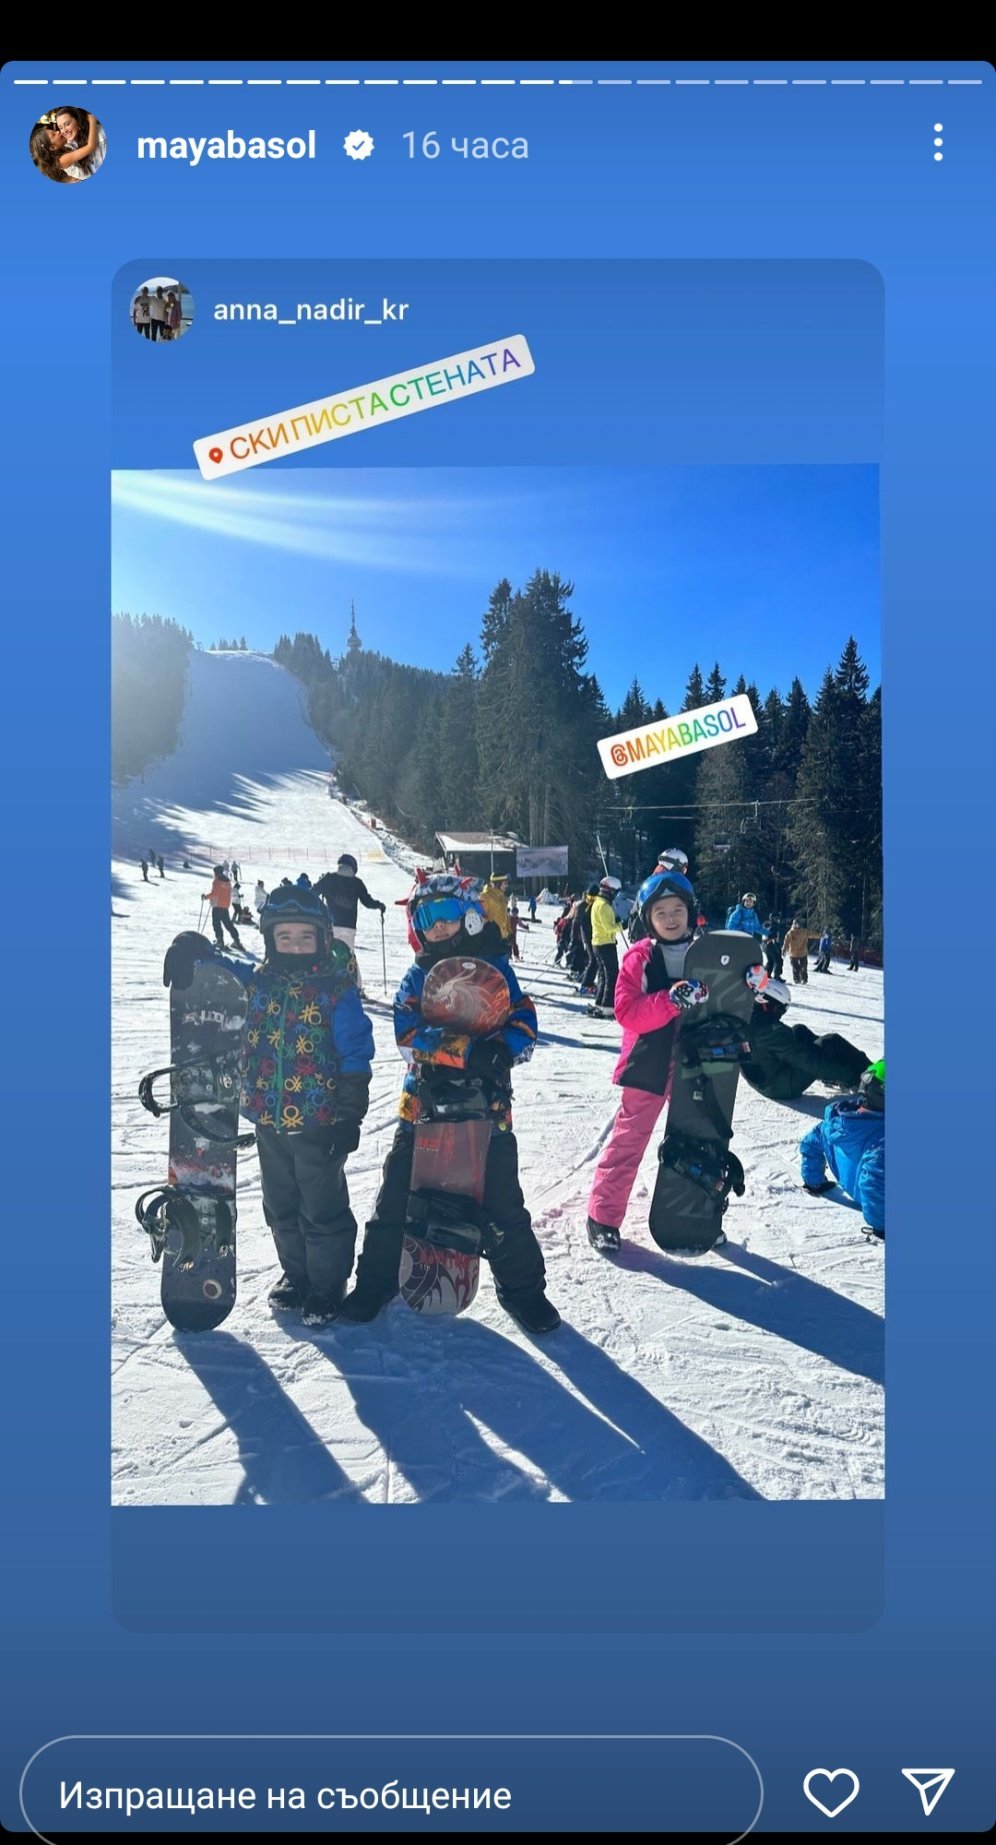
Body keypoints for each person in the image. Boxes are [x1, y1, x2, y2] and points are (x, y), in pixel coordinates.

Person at [340, 873, 559, 1335]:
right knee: (395, 1197)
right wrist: (464, 1050)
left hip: (488, 1112)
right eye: (426, 918)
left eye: (445, 913)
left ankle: (523, 1290)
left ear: (470, 914)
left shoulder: (497, 968)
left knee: (503, 1204)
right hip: (424, 1111)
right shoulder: (419, 976)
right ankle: (376, 1280)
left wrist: (502, 1051)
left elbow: (523, 1021)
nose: (437, 926)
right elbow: (407, 1034)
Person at [163, 878, 374, 1324]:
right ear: (270, 939)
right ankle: (297, 1276)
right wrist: (195, 949)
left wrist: (349, 1117)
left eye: (304, 937)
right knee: (280, 1205)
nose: (294, 945)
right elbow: (222, 972)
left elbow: (355, 1055)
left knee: (321, 1208)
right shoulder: (258, 981)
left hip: (320, 1122)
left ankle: (326, 1286)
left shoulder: (336, 991)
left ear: (322, 938)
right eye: (284, 936)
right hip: (268, 1119)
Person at [586, 870, 763, 1251]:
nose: (670, 919)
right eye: (661, 912)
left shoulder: (708, 954)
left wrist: (753, 985)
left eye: (677, 910)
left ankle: (697, 1217)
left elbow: (732, 1002)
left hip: (696, 1062)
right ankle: (602, 1217)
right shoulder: (640, 957)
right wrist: (669, 1001)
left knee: (701, 1137)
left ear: (690, 912)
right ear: (647, 918)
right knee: (630, 1139)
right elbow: (626, 1011)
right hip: (648, 1061)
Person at [740, 979, 870, 1101]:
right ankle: (869, 1079)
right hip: (779, 1086)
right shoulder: (770, 1030)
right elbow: (810, 1062)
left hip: (764, 1076)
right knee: (830, 1042)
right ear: (772, 1004)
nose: (781, 1014)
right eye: (781, 1009)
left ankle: (836, 1066)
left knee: (799, 1030)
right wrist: (850, 1075)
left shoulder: (750, 1016)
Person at [800, 1060, 884, 1239]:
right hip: (875, 1203)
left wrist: (813, 1181)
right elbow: (872, 1183)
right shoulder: (881, 1141)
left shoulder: (837, 1121)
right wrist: (882, 1226)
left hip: (857, 1187)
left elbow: (810, 1143)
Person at [314, 853, 386, 961]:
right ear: (354, 868)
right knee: (347, 957)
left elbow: (312, 893)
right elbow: (367, 902)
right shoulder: (357, 883)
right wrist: (379, 905)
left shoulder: (329, 879)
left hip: (331, 926)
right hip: (349, 927)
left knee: (329, 956)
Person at [588, 875, 625, 1018]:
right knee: (612, 975)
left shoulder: (597, 903)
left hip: (598, 943)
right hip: (605, 943)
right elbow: (608, 928)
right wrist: (622, 925)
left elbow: (605, 922)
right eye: (615, 892)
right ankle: (608, 1006)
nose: (615, 896)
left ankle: (600, 1003)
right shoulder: (604, 906)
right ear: (610, 891)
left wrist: (615, 920)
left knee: (603, 974)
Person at [203, 864, 244, 950]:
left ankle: (220, 941)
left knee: (216, 924)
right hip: (225, 906)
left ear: (216, 872)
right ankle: (237, 941)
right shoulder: (227, 881)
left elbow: (215, 894)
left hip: (217, 905)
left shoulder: (216, 881)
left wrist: (205, 897)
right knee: (228, 924)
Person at [53, 105, 104, 174]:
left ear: (78, 121)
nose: (64, 130)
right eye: (61, 127)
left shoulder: (99, 136)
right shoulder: (69, 144)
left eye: (67, 124)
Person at [575, 884, 600, 996]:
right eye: (590, 897)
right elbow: (577, 922)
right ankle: (586, 985)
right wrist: (574, 939)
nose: (591, 900)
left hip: (597, 936)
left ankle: (589, 983)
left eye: (594, 898)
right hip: (587, 936)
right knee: (593, 960)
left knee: (596, 961)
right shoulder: (583, 906)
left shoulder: (597, 905)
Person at [480, 873, 511, 948]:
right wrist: (491, 928)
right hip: (490, 939)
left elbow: (506, 917)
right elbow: (481, 917)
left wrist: (510, 933)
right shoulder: (486, 896)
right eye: (505, 883)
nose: (507, 886)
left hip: (504, 938)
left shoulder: (503, 898)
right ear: (498, 883)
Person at [782, 918, 810, 985]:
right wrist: (784, 950)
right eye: (796, 924)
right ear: (793, 924)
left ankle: (804, 979)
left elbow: (812, 934)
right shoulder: (790, 933)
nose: (797, 925)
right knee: (795, 967)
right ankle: (796, 979)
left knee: (803, 967)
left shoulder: (804, 931)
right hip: (793, 953)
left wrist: (821, 935)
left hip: (802, 953)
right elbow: (786, 942)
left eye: (798, 924)